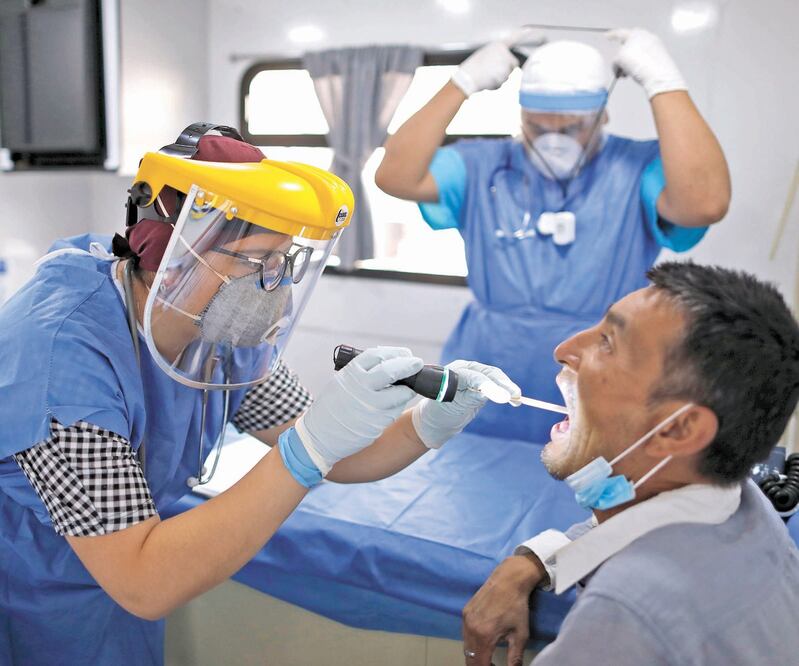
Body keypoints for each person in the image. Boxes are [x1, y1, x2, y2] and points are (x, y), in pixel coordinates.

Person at [0, 123, 519, 666]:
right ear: (171, 256)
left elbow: (336, 451)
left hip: (116, 596)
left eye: (285, 262)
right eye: (256, 263)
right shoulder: (62, 368)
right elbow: (145, 580)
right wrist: (307, 452)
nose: (275, 286)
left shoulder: (216, 333)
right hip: (31, 594)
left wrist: (424, 422)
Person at [376, 28, 731, 443]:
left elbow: (705, 203)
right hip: (491, 364)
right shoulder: (482, 165)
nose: (553, 141)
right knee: (471, 476)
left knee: (585, 474)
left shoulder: (636, 167)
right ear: (522, 115)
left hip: (600, 368)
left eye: (573, 128)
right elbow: (394, 175)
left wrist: (664, 85)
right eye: (539, 126)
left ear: (604, 115)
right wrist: (462, 83)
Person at [461, 261, 799, 665]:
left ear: (680, 430)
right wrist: (532, 562)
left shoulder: (627, 615)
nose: (564, 350)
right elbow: (635, 527)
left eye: (607, 342)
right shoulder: (743, 503)